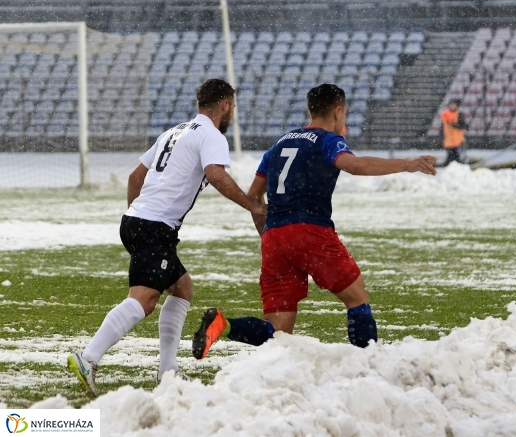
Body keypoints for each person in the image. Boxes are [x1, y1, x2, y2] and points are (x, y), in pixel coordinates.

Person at [191, 83, 437, 357]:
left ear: (309, 110)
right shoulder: (327, 141)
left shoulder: (279, 143)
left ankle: (223, 326)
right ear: (338, 111)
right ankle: (369, 365)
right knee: (357, 299)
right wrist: (406, 164)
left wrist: (269, 234)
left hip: (274, 237)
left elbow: (254, 197)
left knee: (279, 333)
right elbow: (354, 166)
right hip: (310, 230)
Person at [67, 79, 268, 395]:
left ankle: (168, 372)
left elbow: (136, 176)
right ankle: (88, 358)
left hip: (136, 221)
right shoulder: (211, 136)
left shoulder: (174, 132)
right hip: (153, 227)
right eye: (233, 107)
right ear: (226, 105)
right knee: (144, 300)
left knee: (182, 288)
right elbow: (216, 175)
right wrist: (252, 205)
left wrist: (139, 214)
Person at [440, 99, 465, 165]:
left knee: (457, 157)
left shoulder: (459, 114)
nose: (452, 106)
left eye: (454, 105)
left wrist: (454, 125)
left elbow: (462, 125)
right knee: (450, 157)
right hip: (449, 140)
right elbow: (442, 127)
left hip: (457, 140)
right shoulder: (445, 115)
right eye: (451, 105)